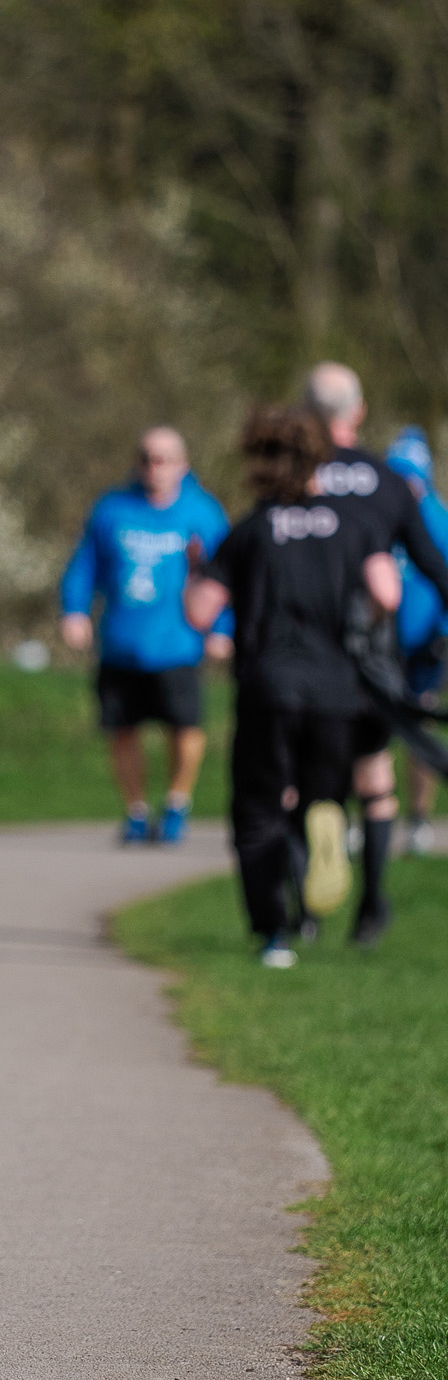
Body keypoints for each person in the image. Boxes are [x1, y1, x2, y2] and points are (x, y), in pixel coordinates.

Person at [186, 405, 400, 969]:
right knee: (318, 796)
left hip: (268, 687)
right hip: (335, 689)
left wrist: (195, 572)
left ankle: (275, 934)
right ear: (318, 458)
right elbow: (387, 592)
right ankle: (326, 826)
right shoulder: (354, 524)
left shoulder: (251, 530)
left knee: (258, 809)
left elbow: (201, 614)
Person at [304, 364, 448, 941]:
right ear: (357, 412)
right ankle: (373, 904)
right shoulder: (388, 483)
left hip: (308, 653)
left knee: (309, 780)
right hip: (372, 654)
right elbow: (435, 566)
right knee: (374, 771)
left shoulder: (295, 477)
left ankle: (305, 915)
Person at [60, 428, 233, 844]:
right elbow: (84, 566)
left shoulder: (203, 513)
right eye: (147, 458)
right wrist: (74, 611)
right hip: (122, 642)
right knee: (122, 730)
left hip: (178, 643)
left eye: (165, 459)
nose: (154, 467)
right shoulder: (112, 510)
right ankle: (135, 811)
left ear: (183, 464)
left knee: (185, 728)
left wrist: (222, 629)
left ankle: (177, 800)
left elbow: (227, 575)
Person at [383, 427, 448, 854]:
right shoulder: (375, 515)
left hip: (426, 645)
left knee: (419, 729)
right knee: (369, 729)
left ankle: (420, 819)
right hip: (380, 644)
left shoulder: (439, 520)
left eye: (413, 475)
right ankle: (370, 815)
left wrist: (443, 634)